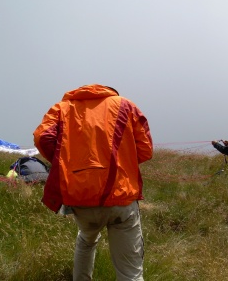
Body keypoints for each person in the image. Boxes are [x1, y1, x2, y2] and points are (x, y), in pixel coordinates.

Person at [33, 84, 153, 281]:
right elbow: (146, 150)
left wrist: (63, 164)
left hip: (80, 197)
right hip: (121, 197)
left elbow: (43, 137)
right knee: (130, 272)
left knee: (86, 240)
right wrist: (123, 160)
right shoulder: (126, 105)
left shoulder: (62, 108)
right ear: (109, 91)